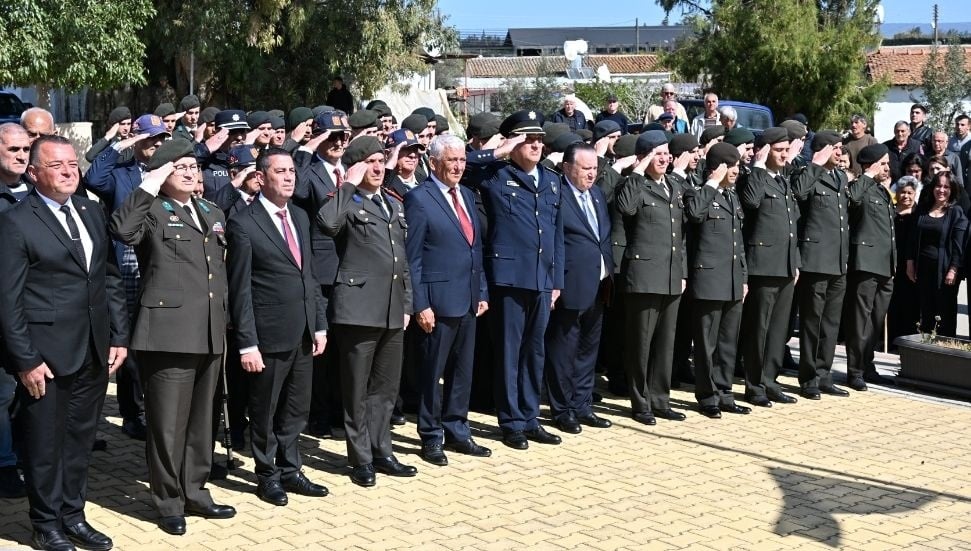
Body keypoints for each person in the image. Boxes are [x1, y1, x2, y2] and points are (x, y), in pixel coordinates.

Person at [0, 135, 128, 551]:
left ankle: (73, 515)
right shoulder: (16, 221)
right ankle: (44, 523)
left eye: (73, 163)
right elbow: (8, 299)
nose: (70, 171)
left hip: (93, 351)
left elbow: (109, 278)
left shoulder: (92, 211)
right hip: (46, 358)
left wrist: (118, 337)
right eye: (57, 165)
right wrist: (25, 359)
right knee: (44, 446)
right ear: (34, 173)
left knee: (78, 441)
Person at [110, 138, 236, 536]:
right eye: (178, 167)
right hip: (167, 333)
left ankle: (195, 490)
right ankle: (168, 500)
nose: (190, 172)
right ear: (161, 174)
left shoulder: (210, 211)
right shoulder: (151, 211)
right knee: (167, 424)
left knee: (203, 420)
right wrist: (149, 184)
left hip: (210, 330)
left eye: (193, 166)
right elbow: (122, 231)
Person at [226, 149, 330, 506]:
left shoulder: (300, 216)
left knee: (296, 408)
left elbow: (309, 276)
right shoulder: (244, 222)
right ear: (261, 177)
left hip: (302, 332)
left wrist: (319, 324)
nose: (289, 177)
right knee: (265, 409)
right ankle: (266, 474)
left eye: (291, 171)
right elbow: (239, 290)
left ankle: (291, 469)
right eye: (280, 171)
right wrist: (247, 344)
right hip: (267, 336)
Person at [462, 110, 565, 450]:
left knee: (534, 351)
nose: (535, 145)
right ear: (512, 142)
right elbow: (461, 164)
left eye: (538, 139)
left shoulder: (550, 178)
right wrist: (498, 151)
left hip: (541, 277)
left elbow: (556, 233)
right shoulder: (495, 173)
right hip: (508, 278)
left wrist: (556, 279)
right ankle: (511, 422)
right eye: (527, 139)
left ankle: (530, 416)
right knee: (509, 352)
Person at [316, 137, 416, 487]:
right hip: (357, 310)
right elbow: (327, 224)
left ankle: (381, 449)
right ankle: (359, 458)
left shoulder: (393, 202)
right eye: (370, 162)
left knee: (385, 389)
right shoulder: (345, 200)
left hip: (391, 308)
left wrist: (407, 303)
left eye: (380, 161)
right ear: (357, 166)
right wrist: (347, 183)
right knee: (356, 390)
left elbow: (401, 258)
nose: (377, 168)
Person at [403, 135, 492, 466]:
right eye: (451, 161)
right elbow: (412, 259)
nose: (458, 166)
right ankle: (430, 435)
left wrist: (481, 290)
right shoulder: (419, 199)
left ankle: (458, 429)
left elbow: (475, 249)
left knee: (462, 372)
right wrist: (420, 303)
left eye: (462, 161)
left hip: (468, 298)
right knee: (431, 373)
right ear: (435, 162)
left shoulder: (467, 195)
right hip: (437, 303)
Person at [614, 130, 687, 425]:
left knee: (665, 343)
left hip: (671, 276)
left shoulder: (674, 186)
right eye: (658, 153)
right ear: (645, 157)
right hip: (643, 275)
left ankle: (660, 398)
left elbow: (680, 236)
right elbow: (626, 208)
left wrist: (681, 271)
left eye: (667, 153)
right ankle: (640, 400)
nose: (665, 158)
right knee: (640, 344)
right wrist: (637, 171)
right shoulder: (634, 185)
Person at [544, 142, 614, 434]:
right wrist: (556, 283)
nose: (591, 175)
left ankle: (583, 404)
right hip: (571, 284)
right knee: (564, 349)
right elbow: (555, 242)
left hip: (599, 284)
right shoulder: (558, 196)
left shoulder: (596, 194)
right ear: (567, 167)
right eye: (585, 169)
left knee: (588, 349)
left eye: (595, 168)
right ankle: (562, 409)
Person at [292, 111, 351, 438]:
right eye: (332, 137)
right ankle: (319, 416)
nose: (339, 143)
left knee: (345, 347)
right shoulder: (311, 172)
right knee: (322, 349)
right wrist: (310, 145)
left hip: (354, 269)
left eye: (343, 137)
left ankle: (343, 412)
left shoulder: (350, 170)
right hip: (324, 271)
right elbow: (297, 190)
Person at [683, 142, 750, 419]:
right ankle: (707, 395)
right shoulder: (698, 191)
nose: (736, 171)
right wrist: (711, 183)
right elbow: (695, 214)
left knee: (727, 343)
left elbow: (739, 242)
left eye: (736, 166)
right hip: (709, 279)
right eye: (730, 166)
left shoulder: (733, 197)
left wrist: (744, 277)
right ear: (717, 167)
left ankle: (725, 392)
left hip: (733, 279)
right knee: (706, 343)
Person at [737, 127, 801, 407]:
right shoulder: (754, 177)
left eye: (787, 150)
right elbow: (750, 202)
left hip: (785, 265)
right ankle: (754, 385)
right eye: (780, 150)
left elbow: (791, 224)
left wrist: (795, 261)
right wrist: (759, 165)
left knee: (778, 329)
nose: (786, 155)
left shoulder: (783, 180)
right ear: (765, 150)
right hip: (763, 265)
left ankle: (770, 379)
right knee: (758, 328)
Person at [791, 131, 851, 400]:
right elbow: (798, 193)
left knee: (831, 322)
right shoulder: (808, 173)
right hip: (815, 260)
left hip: (838, 261)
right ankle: (808, 378)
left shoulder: (839, 177)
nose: (840, 153)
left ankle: (824, 373)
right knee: (812, 322)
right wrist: (815, 163)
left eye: (841, 148)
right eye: (835, 148)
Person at [843, 144, 896, 391]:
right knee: (860, 320)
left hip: (885, 265)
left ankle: (868, 365)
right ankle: (854, 371)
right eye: (883, 163)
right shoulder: (859, 187)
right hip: (865, 264)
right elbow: (851, 199)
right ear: (870, 164)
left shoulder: (881, 190)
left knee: (875, 322)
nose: (888, 167)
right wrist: (866, 176)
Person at [0, 124, 32, 499]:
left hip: (36, 310)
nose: (22, 155)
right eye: (13, 149)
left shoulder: (39, 192)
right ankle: (6, 464)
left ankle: (25, 457)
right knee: (4, 392)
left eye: (26, 149)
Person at [906, 171, 968, 338]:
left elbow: (958, 246)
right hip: (923, 269)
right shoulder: (923, 209)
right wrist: (910, 263)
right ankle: (926, 350)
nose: (941, 190)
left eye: (946, 187)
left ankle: (944, 354)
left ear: (952, 189)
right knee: (926, 311)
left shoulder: (956, 212)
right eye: (938, 186)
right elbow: (913, 239)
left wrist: (953, 269)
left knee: (944, 313)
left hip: (945, 271)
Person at [887, 178, 920, 346]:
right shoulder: (890, 211)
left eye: (910, 193)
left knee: (908, 303)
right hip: (890, 261)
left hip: (910, 264)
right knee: (891, 303)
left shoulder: (918, 214)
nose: (906, 196)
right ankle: (890, 339)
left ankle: (906, 342)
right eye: (903, 192)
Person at [842, 114, 878, 178]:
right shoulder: (845, 142)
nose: (853, 125)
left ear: (864, 125)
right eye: (852, 123)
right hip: (848, 179)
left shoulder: (871, 141)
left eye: (856, 122)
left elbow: (876, 163)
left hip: (866, 179)